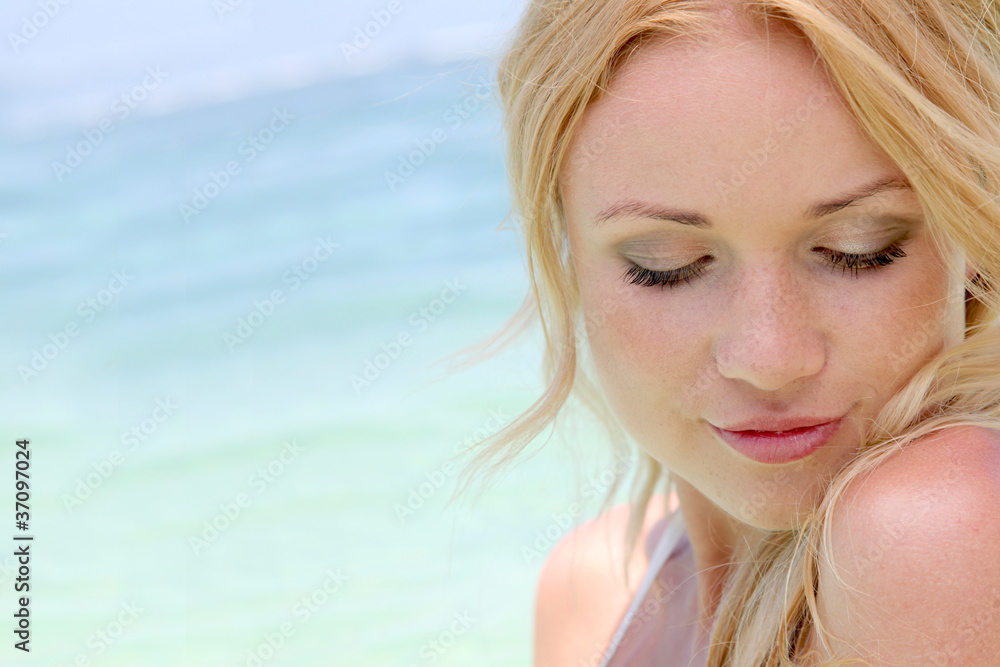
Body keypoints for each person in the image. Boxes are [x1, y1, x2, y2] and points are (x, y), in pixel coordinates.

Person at [451, 0, 1000, 665]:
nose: (769, 356)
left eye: (860, 247)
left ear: (968, 228)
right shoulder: (590, 591)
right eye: (666, 266)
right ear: (567, 255)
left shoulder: (938, 524)